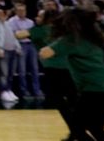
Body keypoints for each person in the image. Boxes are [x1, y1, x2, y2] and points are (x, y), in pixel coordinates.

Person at [41, 7, 104, 141]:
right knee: (96, 128)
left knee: (77, 128)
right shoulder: (93, 38)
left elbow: (44, 53)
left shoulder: (71, 40)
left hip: (93, 89)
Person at [30, 9, 78, 141]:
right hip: (70, 69)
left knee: (58, 101)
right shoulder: (65, 31)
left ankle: (76, 130)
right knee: (73, 101)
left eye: (39, 16)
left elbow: (19, 34)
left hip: (53, 70)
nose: (37, 18)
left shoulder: (40, 30)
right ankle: (76, 130)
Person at [6, 3, 43, 99]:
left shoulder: (30, 22)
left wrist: (22, 33)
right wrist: (23, 34)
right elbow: (13, 35)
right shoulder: (11, 21)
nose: (22, 12)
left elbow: (31, 34)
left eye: (24, 10)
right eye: (20, 10)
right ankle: (24, 91)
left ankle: (37, 90)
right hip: (20, 45)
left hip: (31, 45)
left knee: (35, 69)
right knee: (22, 70)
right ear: (16, 11)